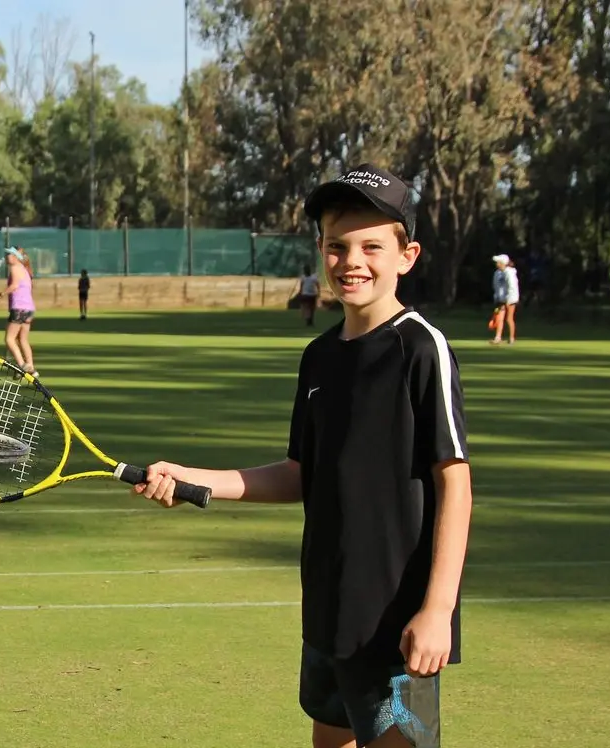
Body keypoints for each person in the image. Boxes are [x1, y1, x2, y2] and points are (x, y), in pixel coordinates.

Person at [134, 163, 473, 748]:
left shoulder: (420, 348)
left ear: (407, 255)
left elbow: (455, 482)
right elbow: (298, 475)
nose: (352, 261)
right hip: (327, 612)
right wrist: (192, 478)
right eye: (337, 247)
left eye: (372, 246)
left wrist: (437, 609)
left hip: (396, 623)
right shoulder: (318, 357)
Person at [0, 246, 38, 376]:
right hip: (29, 309)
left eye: (10, 255)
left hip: (19, 308)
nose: (7, 257)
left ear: (15, 258)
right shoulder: (25, 270)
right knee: (23, 339)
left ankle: (22, 366)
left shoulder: (15, 268)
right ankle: (31, 368)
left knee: (9, 339)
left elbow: (14, 286)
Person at [490, 254, 519, 345]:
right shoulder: (497, 273)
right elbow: (496, 286)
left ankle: (511, 338)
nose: (497, 264)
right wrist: (497, 297)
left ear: (503, 263)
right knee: (499, 318)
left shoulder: (510, 272)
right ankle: (497, 337)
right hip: (500, 299)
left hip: (511, 299)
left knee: (509, 319)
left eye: (498, 262)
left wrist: (509, 300)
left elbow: (512, 287)